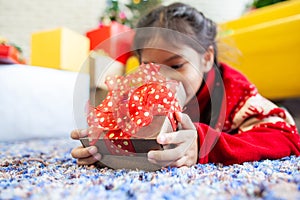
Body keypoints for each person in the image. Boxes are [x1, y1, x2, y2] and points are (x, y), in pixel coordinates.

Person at [71, 2, 300, 167]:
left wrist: (204, 144)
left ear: (207, 57)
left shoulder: (233, 91)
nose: (163, 78)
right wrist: (106, 147)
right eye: (150, 67)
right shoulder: (141, 94)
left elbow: (288, 136)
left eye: (177, 65)